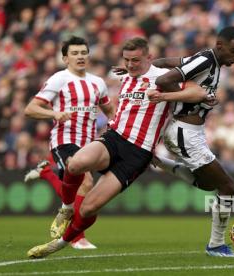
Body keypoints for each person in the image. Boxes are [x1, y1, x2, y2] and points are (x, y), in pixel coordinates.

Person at [27, 37, 208, 258]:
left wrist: (164, 96)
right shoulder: (126, 75)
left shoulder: (162, 78)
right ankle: (65, 209)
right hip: (114, 137)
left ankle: (60, 243)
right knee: (76, 165)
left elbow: (198, 93)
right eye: (127, 60)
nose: (130, 65)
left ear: (149, 57)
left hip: (138, 152)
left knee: (88, 208)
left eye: (136, 60)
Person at [150, 26, 234, 257]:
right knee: (229, 187)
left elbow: (165, 62)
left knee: (206, 184)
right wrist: (192, 101)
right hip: (185, 131)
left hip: (192, 132)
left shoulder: (206, 60)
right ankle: (216, 245)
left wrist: (148, 66)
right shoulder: (205, 59)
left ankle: (158, 162)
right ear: (220, 45)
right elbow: (164, 80)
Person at [24, 36, 115, 249]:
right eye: (75, 53)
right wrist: (54, 113)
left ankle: (46, 172)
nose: (80, 56)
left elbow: (110, 111)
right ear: (66, 59)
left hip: (89, 144)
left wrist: (115, 126)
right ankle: (76, 237)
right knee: (86, 183)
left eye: (83, 52)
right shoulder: (59, 79)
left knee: (77, 188)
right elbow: (30, 109)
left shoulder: (98, 82)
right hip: (64, 140)